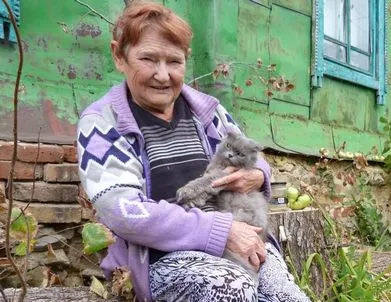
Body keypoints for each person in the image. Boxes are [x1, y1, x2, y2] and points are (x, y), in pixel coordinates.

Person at [77, 2, 310, 302]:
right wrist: (222, 231)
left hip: (238, 242)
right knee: (233, 287)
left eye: (174, 62)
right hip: (159, 259)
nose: (162, 75)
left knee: (288, 296)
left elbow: (254, 159)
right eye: (148, 59)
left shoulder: (207, 112)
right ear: (119, 56)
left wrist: (256, 175)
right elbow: (123, 212)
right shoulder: (102, 122)